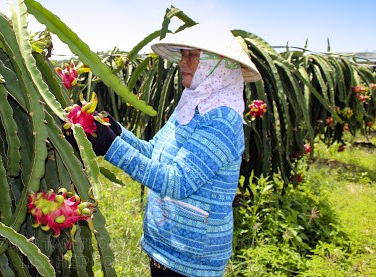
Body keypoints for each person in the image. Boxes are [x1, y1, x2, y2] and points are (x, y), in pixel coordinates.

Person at [86, 26, 261, 277]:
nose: (183, 62)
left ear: (218, 66)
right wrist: (118, 132)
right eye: (182, 54)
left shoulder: (222, 120)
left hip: (192, 260)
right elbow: (154, 151)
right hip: (164, 248)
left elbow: (178, 181)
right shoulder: (191, 105)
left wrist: (111, 147)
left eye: (193, 54)